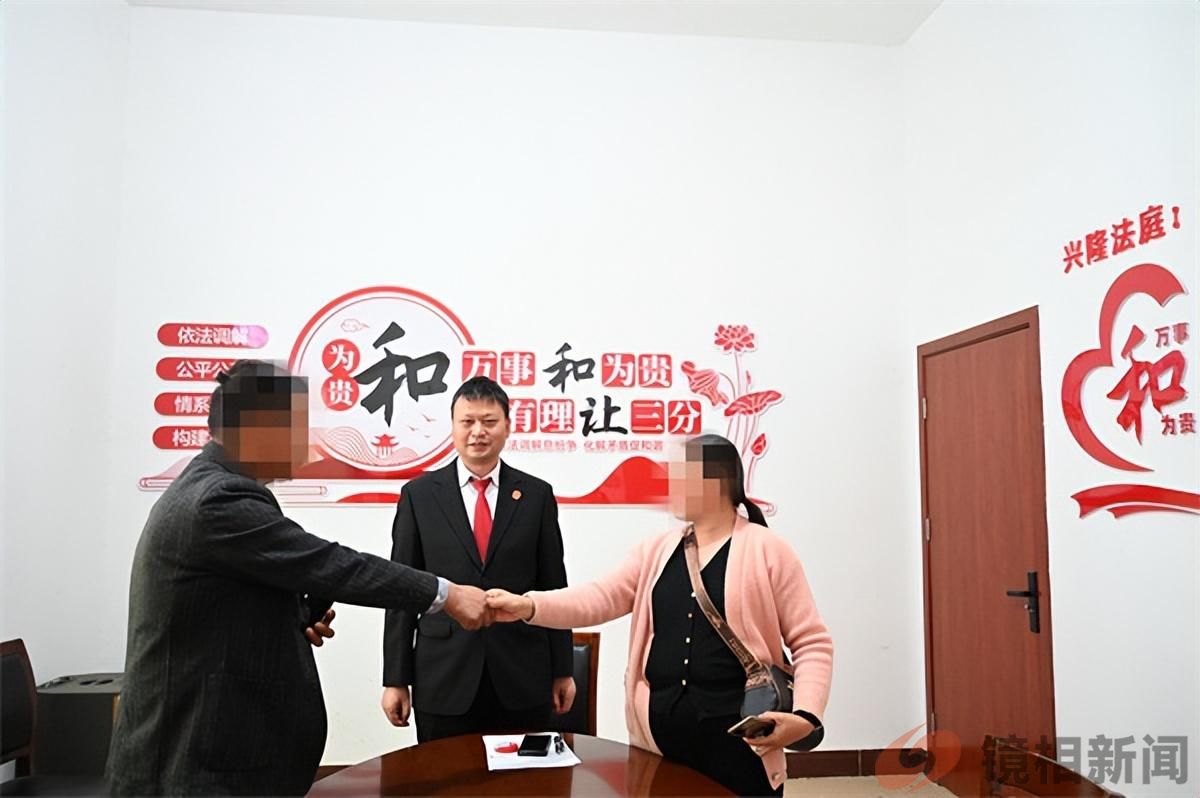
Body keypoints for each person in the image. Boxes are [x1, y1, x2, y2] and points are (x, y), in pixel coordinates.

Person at [106, 361, 490, 796]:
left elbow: (235, 599)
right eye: (297, 428)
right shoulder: (218, 500)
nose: (306, 444)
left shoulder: (215, 488)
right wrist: (445, 594)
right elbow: (332, 564)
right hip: (192, 767)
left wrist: (292, 614)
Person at [486, 434, 833, 796]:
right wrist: (529, 606)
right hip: (662, 743)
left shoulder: (768, 550)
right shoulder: (658, 550)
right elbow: (600, 597)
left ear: (717, 482)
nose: (671, 486)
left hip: (741, 745)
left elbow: (812, 643)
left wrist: (806, 716)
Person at [381, 376, 575, 742]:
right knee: (443, 774)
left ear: (507, 426)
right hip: (443, 674)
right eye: (467, 421)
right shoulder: (419, 496)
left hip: (522, 673)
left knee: (525, 774)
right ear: (453, 427)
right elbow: (403, 591)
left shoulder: (536, 496)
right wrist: (395, 679)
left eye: (489, 421)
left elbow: (553, 586)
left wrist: (562, 669)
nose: (478, 432)